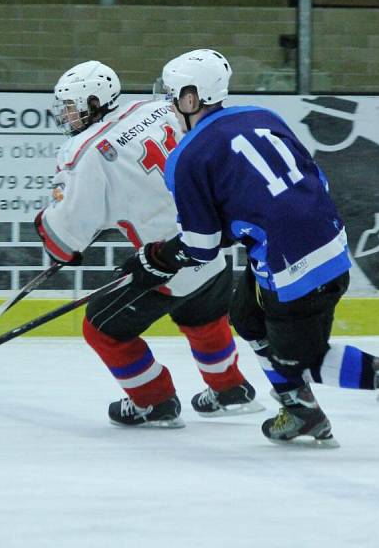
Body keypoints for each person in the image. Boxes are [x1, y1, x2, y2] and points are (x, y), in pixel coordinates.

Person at [119, 48, 379, 447]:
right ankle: (301, 413)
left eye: (173, 96)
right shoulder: (264, 116)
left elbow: (201, 245)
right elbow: (310, 179)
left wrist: (156, 260)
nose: (170, 105)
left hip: (289, 264)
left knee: (306, 361)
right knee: (247, 315)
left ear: (191, 98)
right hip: (328, 240)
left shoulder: (186, 157)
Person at [34, 60, 264, 428]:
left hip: (167, 262)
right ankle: (230, 389)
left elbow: (66, 238)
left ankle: (154, 400)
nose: (67, 117)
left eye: (72, 107)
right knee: (202, 314)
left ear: (95, 102)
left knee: (101, 327)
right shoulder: (159, 107)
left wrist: (48, 226)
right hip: (212, 242)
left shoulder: (84, 152)